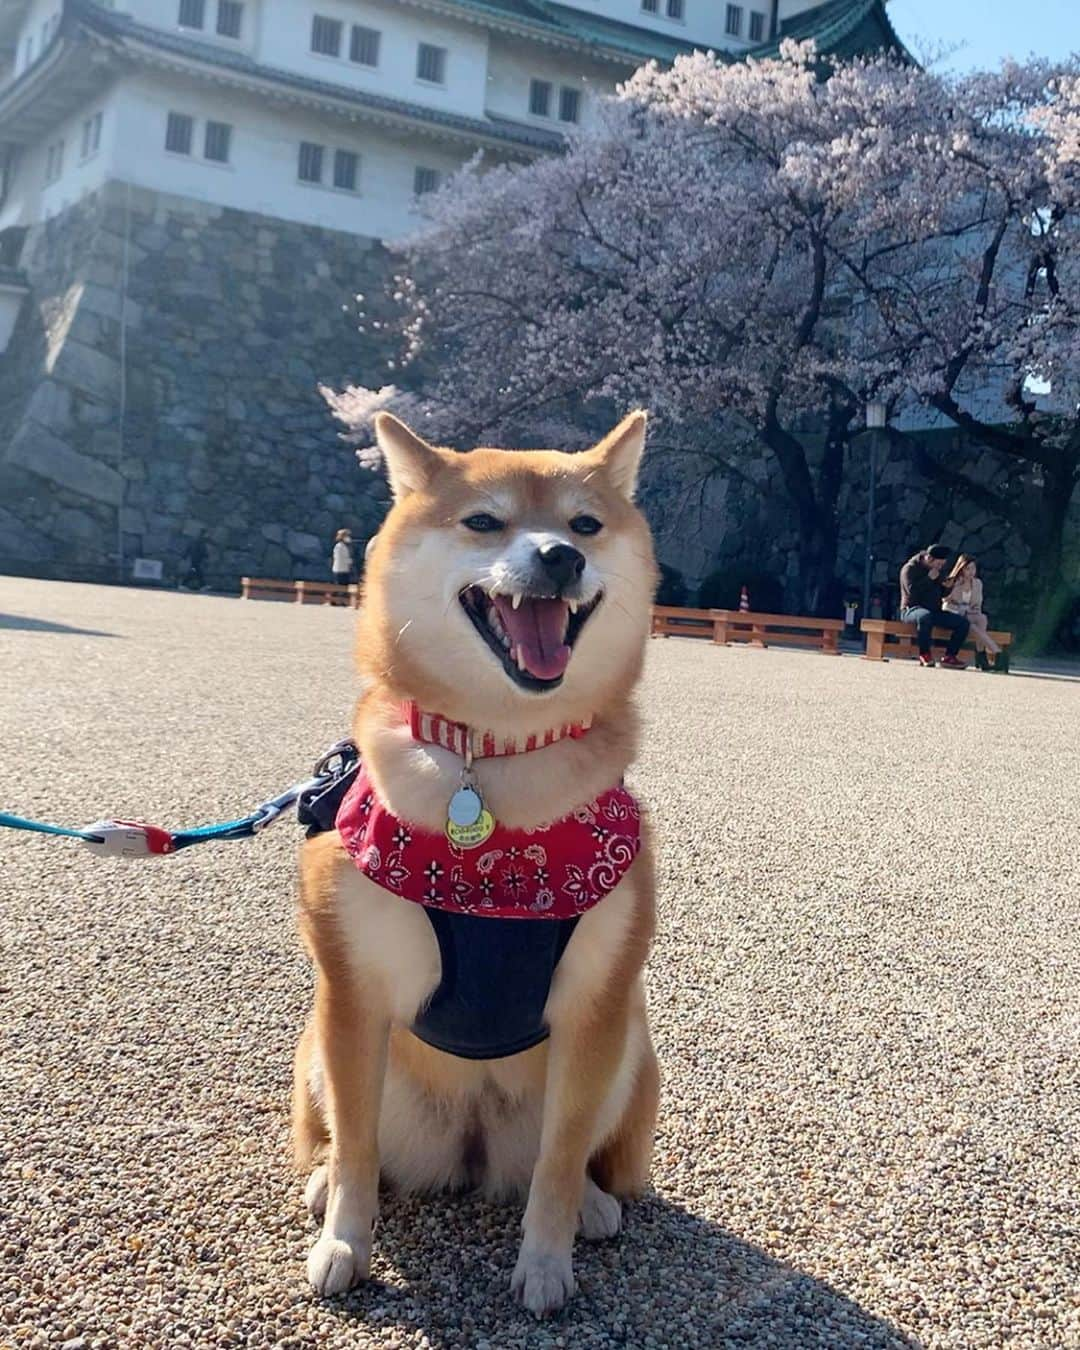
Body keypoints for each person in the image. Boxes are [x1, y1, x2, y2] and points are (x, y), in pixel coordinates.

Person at [898, 544, 969, 668]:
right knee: (925, 616)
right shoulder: (909, 569)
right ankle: (924, 654)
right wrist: (929, 579)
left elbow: (942, 593)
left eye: (942, 565)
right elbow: (912, 592)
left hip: (934, 611)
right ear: (929, 559)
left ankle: (950, 656)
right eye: (939, 564)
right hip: (911, 610)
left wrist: (948, 587)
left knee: (963, 623)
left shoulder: (937, 571)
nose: (940, 567)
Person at [943, 555, 1001, 671]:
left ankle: (981, 654)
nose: (971, 572)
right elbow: (945, 601)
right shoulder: (952, 582)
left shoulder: (978, 583)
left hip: (971, 613)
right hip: (954, 612)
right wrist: (962, 609)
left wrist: (972, 611)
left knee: (982, 619)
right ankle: (992, 650)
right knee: (972, 625)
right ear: (961, 568)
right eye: (967, 569)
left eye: (973, 569)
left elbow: (977, 604)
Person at [331, 528, 353, 605]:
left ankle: (341, 601)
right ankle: (335, 601)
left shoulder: (344, 546)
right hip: (339, 570)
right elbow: (341, 558)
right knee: (339, 587)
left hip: (344, 569)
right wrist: (350, 561)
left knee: (344, 586)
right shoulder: (339, 546)